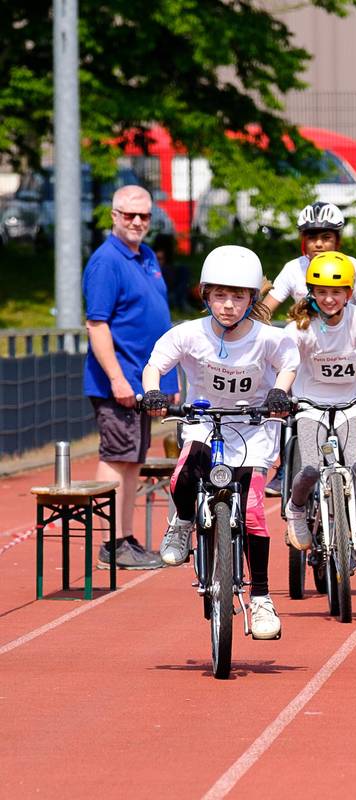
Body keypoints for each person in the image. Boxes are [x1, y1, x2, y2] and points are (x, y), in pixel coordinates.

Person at [140, 245, 299, 639]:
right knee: (182, 477)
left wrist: (280, 391)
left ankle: (261, 598)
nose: (228, 305)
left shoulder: (267, 338)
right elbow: (155, 364)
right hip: (202, 424)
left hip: (251, 430)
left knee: (254, 513)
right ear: (205, 295)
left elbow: (290, 362)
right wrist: (153, 393)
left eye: (238, 296)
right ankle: (182, 521)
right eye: (220, 296)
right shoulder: (189, 334)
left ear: (252, 299)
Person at [81, 184, 177, 570]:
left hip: (144, 382)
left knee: (133, 460)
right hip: (120, 381)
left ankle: (125, 537)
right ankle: (110, 544)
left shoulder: (147, 256)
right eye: (129, 215)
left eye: (144, 216)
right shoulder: (107, 261)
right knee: (117, 456)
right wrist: (118, 380)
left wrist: (163, 382)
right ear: (114, 217)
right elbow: (97, 324)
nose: (137, 222)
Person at [258, 201, 356, 497]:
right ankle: (285, 468)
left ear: (337, 240)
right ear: (304, 241)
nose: (319, 244)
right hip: (305, 359)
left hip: (344, 358)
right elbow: (266, 311)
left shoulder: (352, 267)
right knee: (280, 401)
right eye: (312, 237)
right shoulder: (293, 269)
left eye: (326, 237)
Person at [282, 251, 356, 566]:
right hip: (310, 406)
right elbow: (282, 360)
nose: (329, 299)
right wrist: (279, 392)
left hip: (352, 405)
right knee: (310, 467)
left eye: (336, 292)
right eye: (321, 292)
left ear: (349, 293)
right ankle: (296, 507)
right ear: (311, 293)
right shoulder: (301, 326)